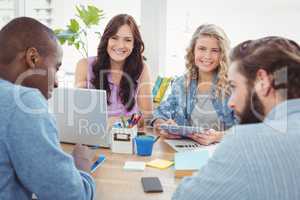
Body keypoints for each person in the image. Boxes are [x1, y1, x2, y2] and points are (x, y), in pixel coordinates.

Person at [172, 36, 300, 200]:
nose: (231, 102)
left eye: (234, 87)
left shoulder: (245, 142)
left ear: (263, 82)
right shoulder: (181, 83)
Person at [0, 17, 95, 199]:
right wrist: (81, 166)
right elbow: (72, 196)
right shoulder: (22, 102)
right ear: (32, 58)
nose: (57, 82)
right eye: (56, 68)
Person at [152, 24, 235, 145]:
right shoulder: (181, 84)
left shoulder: (233, 86)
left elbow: (248, 130)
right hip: (186, 150)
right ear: (193, 51)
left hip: (223, 152)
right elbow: (159, 113)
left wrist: (217, 136)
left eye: (215, 50)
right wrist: (162, 125)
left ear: (222, 54)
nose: (207, 56)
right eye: (202, 48)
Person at [75, 14, 153, 118]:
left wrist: (116, 123)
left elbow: (147, 116)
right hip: (93, 132)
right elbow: (79, 112)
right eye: (114, 38)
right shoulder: (84, 65)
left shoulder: (142, 69)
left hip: (128, 133)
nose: (120, 45)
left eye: (128, 40)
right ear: (106, 40)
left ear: (134, 44)